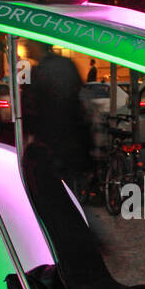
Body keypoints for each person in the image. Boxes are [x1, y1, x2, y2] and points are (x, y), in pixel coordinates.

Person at [23, 40, 93, 193]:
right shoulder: (67, 65)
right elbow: (80, 99)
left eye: (29, 43)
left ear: (37, 45)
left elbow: (30, 109)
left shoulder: (38, 72)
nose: (26, 47)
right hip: (72, 140)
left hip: (50, 142)